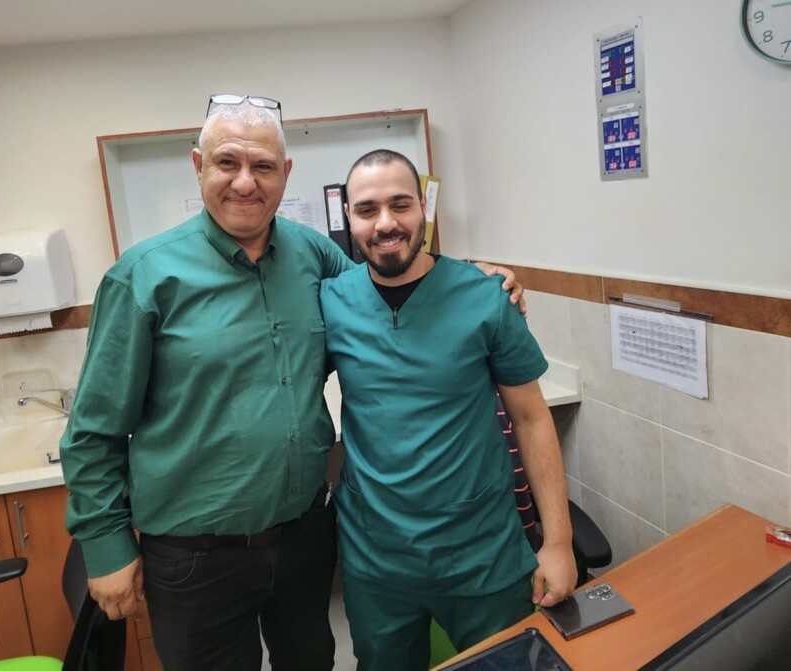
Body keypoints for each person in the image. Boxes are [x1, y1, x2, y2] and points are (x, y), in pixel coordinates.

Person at [60, 95, 523, 671]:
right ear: (198, 165)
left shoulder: (313, 254)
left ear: (286, 173)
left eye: (263, 166)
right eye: (227, 163)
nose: (245, 182)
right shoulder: (143, 276)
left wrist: (473, 280)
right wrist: (105, 543)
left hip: (303, 538)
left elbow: (391, 291)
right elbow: (93, 430)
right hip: (195, 557)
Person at [319, 149, 577, 671]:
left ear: (424, 206)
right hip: (377, 561)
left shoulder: (486, 296)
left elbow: (531, 418)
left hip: (482, 553)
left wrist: (559, 542)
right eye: (367, 209)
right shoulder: (330, 300)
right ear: (348, 217)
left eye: (400, 204)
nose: (385, 223)